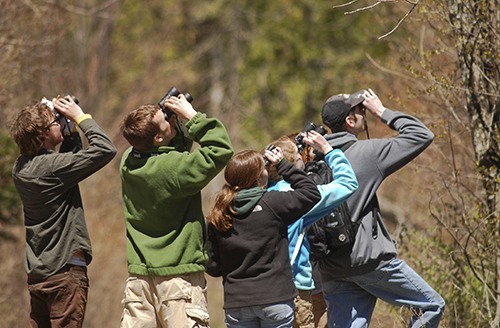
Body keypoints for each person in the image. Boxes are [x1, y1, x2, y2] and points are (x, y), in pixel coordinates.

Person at [317, 88, 446, 327]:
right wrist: (382, 111)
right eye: (360, 110)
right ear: (350, 120)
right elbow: (421, 134)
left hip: (331, 268)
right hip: (369, 262)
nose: (364, 114)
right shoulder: (367, 153)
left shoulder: (313, 160)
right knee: (431, 305)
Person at [119, 93, 233, 327]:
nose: (171, 122)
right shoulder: (175, 170)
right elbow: (220, 148)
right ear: (159, 137)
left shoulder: (128, 162)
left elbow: (167, 150)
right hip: (178, 280)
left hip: (140, 281)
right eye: (167, 122)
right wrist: (192, 116)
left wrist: (169, 122)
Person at [10, 95, 117, 327]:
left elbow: (65, 166)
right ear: (43, 135)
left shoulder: (20, 168)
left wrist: (69, 133)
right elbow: (105, 149)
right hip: (65, 274)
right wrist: (80, 117)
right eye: (55, 123)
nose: (60, 121)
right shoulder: (51, 168)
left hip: (40, 275)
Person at [205, 147, 321, 328]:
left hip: (237, 302)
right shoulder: (273, 203)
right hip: (275, 298)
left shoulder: (220, 213)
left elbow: (213, 267)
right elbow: (311, 193)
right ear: (258, 178)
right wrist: (283, 165)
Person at [266, 133, 358, 328]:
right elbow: (348, 183)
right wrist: (328, 150)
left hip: (261, 290)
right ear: (293, 163)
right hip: (295, 288)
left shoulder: (260, 193)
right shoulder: (298, 198)